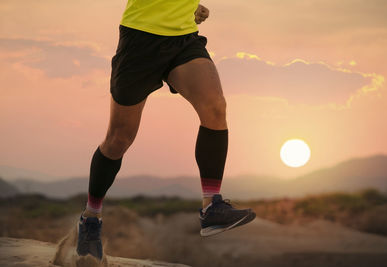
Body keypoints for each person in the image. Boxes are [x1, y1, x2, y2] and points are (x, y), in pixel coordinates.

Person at [76, 0, 256, 260]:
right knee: (119, 139)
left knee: (215, 108)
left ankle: (211, 207)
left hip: (183, 38)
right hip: (140, 38)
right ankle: (91, 218)